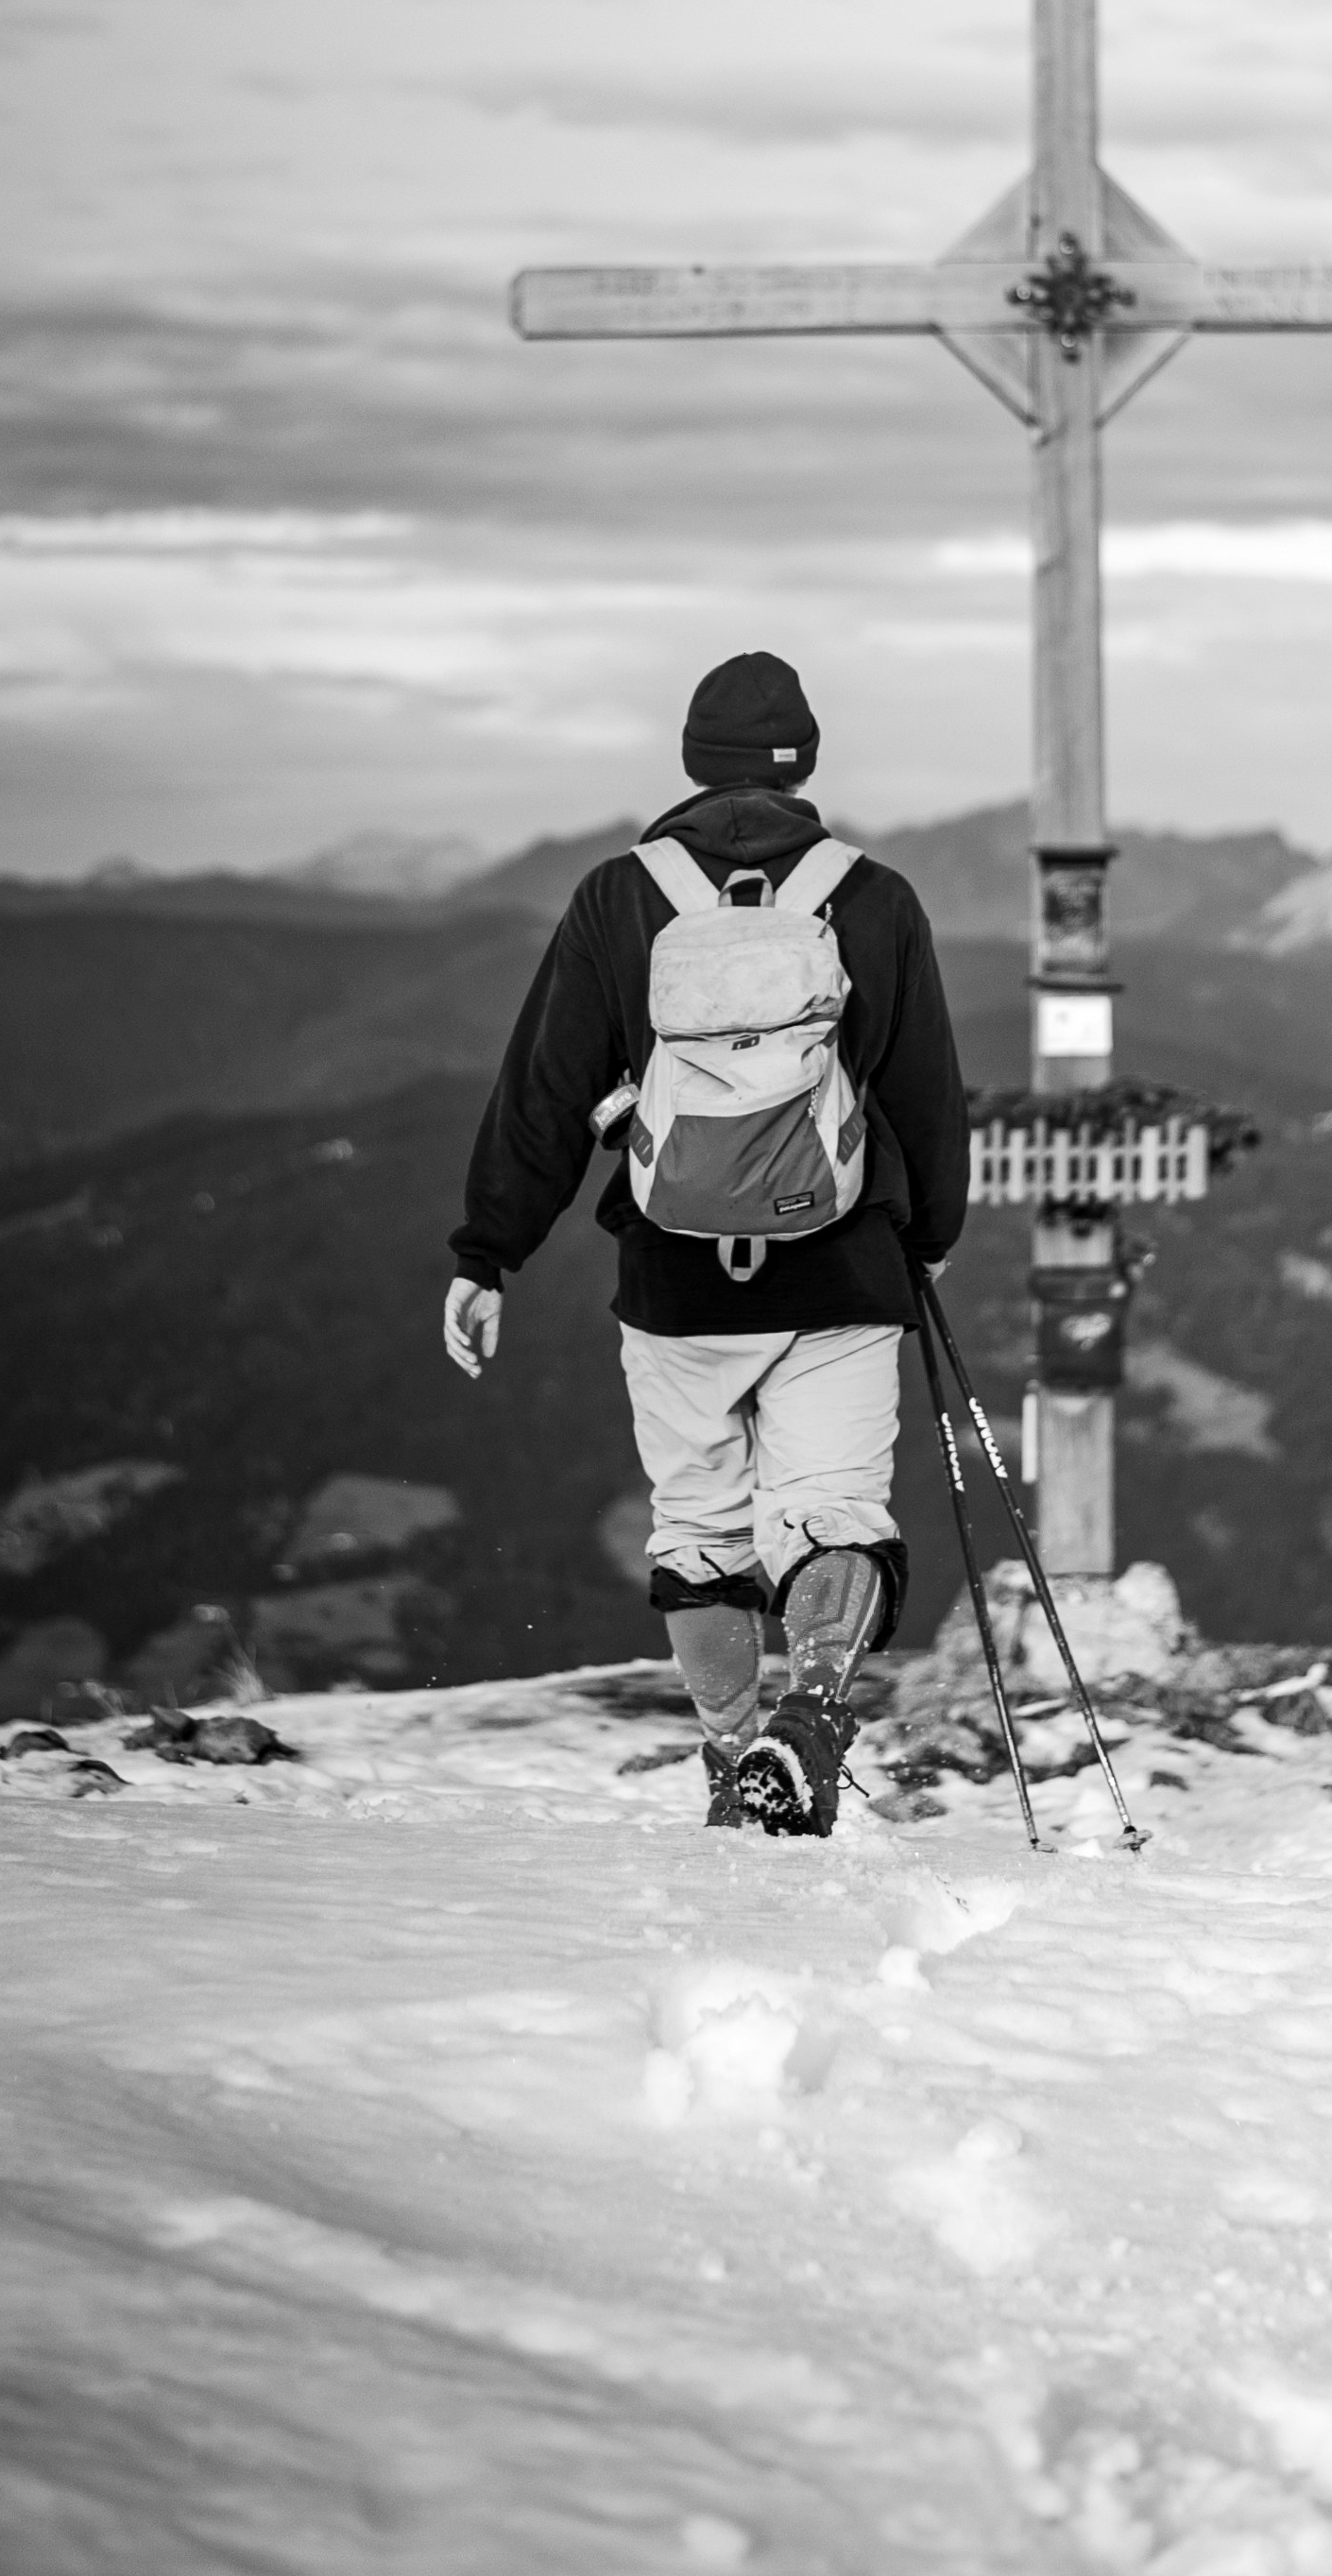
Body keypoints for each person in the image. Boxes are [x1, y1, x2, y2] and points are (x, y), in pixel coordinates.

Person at [444, 649, 968, 1835]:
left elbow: (544, 1090)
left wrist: (487, 1253)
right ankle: (811, 1714)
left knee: (699, 1529)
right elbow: (926, 1094)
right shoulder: (874, 897)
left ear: (691, 760)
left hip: (673, 1280)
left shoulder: (617, 897)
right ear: (805, 763)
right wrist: (927, 1241)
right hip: (841, 1269)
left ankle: (736, 1764)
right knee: (834, 1511)